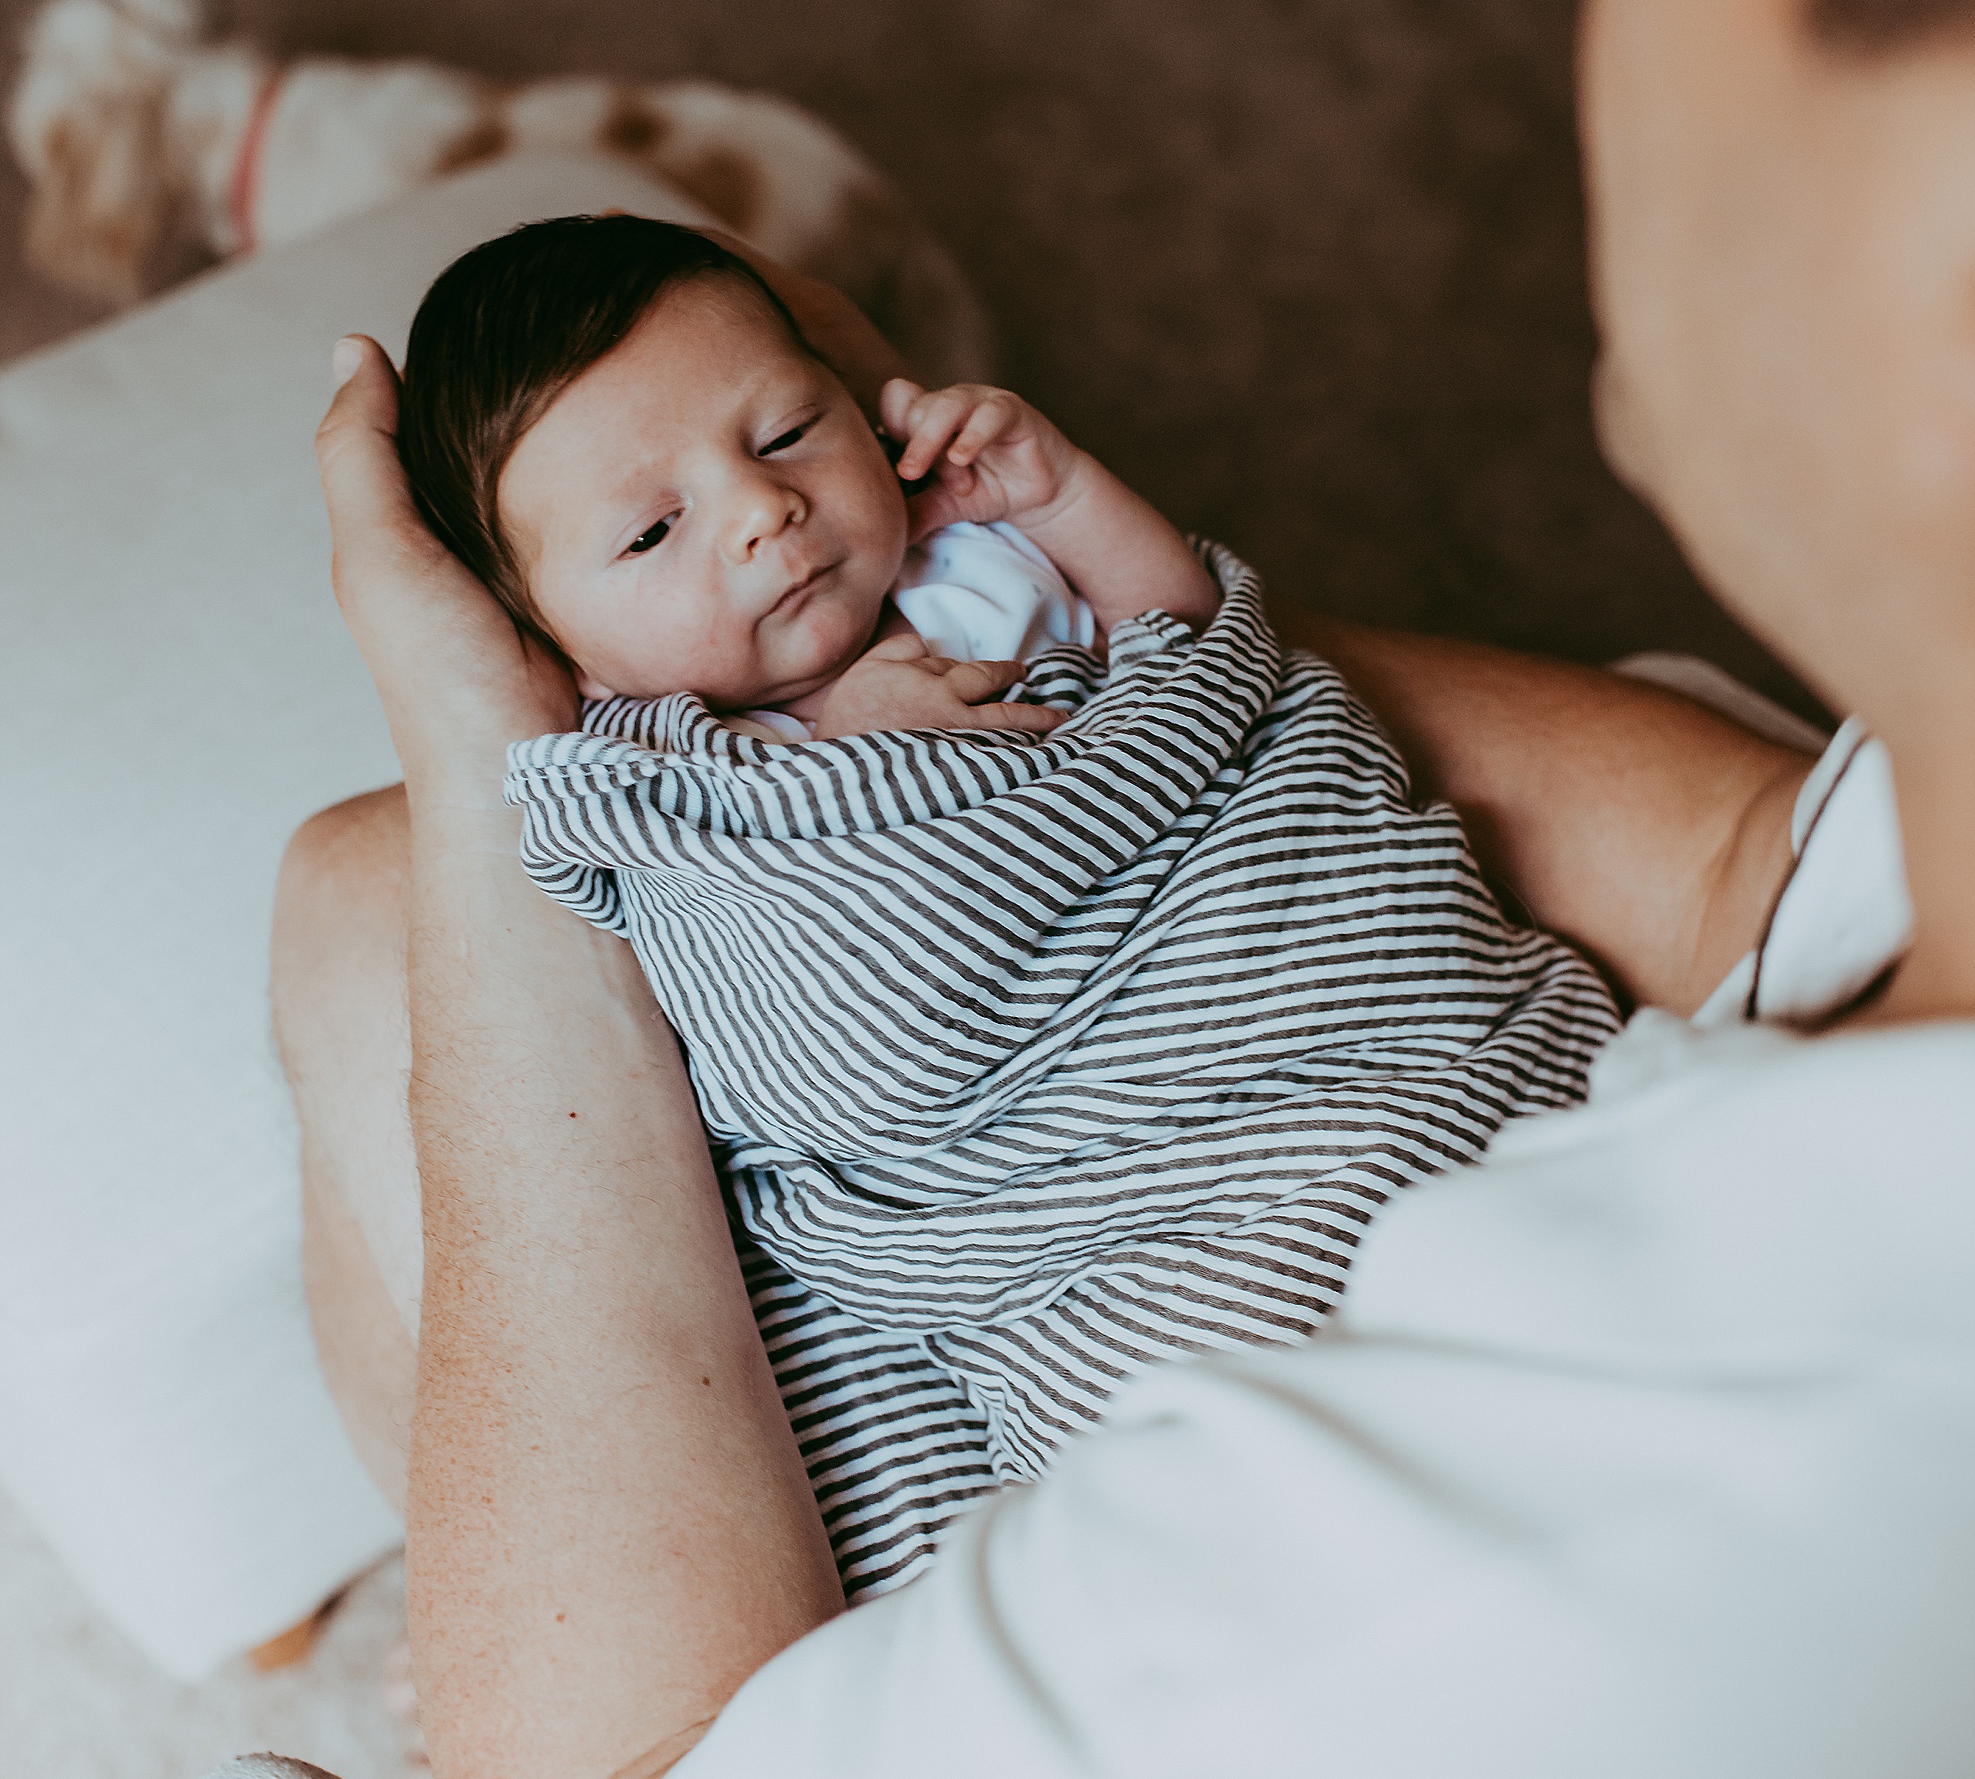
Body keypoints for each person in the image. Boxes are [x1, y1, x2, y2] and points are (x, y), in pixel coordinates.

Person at [267, 0, 1975, 1779]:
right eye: (662, 508)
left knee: (374, 912)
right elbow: (1776, 859)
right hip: (1257, 927)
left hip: (1144, 1268)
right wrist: (1110, 691)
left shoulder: (1330, 1706)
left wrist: (508, 799)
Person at [310, 210, 1638, 1610]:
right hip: (1083, 1211)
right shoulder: (662, 768)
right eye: (652, 529)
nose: (763, 510)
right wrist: (848, 758)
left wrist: (1062, 493)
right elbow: (822, 1016)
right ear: (550, 639)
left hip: (1331, 1038)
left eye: (784, 432)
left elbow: (1187, 638)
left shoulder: (972, 562)